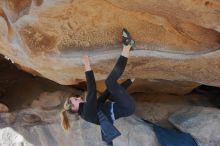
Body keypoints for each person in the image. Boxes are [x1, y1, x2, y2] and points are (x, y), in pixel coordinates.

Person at [60, 28, 136, 145]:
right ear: (74, 108)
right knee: (109, 81)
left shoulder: (90, 110)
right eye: (75, 100)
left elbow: (105, 95)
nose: (78, 97)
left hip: (124, 106)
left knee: (109, 87)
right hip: (126, 107)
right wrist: (87, 65)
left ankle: (128, 49)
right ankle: (127, 46)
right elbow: (91, 90)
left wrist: (129, 81)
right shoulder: (87, 113)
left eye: (76, 97)